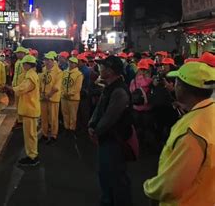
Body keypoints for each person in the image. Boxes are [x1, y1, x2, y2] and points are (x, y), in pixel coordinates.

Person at [144, 59, 215, 205]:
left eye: (176, 81)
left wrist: (150, 188)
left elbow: (172, 185)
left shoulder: (191, 132)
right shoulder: (210, 112)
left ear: (181, 87)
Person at [88, 55, 134, 206]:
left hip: (115, 141)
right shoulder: (109, 87)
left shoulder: (119, 91)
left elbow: (109, 118)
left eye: (103, 67)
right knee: (105, 174)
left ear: (111, 71)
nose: (99, 69)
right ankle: (108, 200)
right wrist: (91, 124)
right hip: (106, 139)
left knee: (116, 177)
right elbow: (100, 110)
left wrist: (96, 131)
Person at [13, 55, 41, 166]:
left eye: (24, 64)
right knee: (30, 134)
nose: (23, 65)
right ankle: (32, 155)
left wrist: (10, 89)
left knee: (30, 134)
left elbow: (22, 89)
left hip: (30, 109)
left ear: (29, 64)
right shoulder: (31, 74)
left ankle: (32, 157)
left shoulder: (30, 77)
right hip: (30, 108)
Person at [39, 51, 62, 144]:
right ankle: (44, 134)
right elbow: (40, 83)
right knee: (44, 117)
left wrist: (48, 95)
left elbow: (57, 87)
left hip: (52, 98)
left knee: (53, 118)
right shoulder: (44, 70)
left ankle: (53, 135)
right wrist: (41, 94)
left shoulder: (59, 72)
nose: (47, 62)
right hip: (43, 98)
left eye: (49, 60)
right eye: (45, 60)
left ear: (53, 61)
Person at [61, 57, 84, 134]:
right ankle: (66, 127)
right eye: (70, 62)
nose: (70, 64)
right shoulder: (64, 72)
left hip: (73, 98)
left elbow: (78, 87)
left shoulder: (79, 74)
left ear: (76, 64)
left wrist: (68, 94)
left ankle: (72, 129)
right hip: (64, 97)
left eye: (72, 63)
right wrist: (63, 93)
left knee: (73, 115)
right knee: (65, 113)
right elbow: (61, 84)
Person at [12, 47, 29, 129]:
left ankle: (21, 121)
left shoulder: (25, 63)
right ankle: (19, 119)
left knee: (22, 104)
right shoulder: (17, 62)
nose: (17, 54)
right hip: (16, 86)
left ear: (23, 53)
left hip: (22, 88)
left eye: (19, 53)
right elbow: (16, 74)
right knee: (17, 104)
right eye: (17, 53)